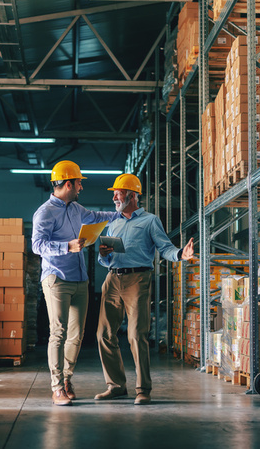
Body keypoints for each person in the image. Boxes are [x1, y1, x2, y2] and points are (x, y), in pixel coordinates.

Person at [95, 173, 194, 405]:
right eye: (114, 194)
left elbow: (165, 248)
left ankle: (143, 389)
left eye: (118, 193)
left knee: (136, 335)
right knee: (103, 334)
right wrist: (103, 255)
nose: (114, 198)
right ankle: (116, 386)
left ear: (132, 195)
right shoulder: (113, 222)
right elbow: (105, 258)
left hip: (137, 280)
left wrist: (181, 254)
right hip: (112, 280)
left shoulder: (150, 220)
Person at [31, 160, 121, 406]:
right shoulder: (45, 212)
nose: (81, 187)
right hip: (57, 278)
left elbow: (96, 216)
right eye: (79, 183)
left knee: (77, 335)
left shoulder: (76, 209)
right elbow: (37, 246)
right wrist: (66, 246)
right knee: (57, 333)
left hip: (80, 280)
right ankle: (56, 387)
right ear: (68, 183)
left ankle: (67, 379)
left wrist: (122, 213)